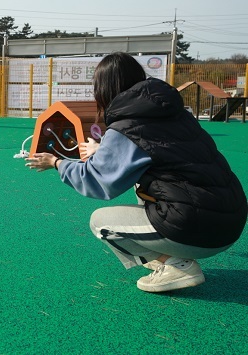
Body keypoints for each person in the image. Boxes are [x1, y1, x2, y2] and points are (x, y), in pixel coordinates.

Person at [25, 52, 247, 293]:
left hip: (197, 229)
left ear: (104, 88)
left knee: (100, 222)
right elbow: (160, 151)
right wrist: (104, 149)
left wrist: (57, 163)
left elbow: (96, 182)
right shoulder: (178, 115)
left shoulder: (126, 127)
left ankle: (175, 265)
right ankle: (172, 254)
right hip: (232, 223)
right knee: (145, 183)